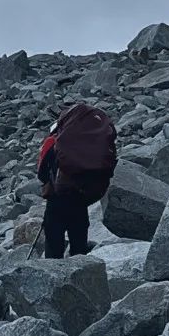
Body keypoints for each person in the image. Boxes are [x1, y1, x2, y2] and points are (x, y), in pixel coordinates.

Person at [38, 104, 117, 259]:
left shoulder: (53, 142)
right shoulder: (89, 144)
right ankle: (83, 279)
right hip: (81, 200)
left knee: (54, 250)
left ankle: (54, 280)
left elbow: (42, 173)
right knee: (79, 250)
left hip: (57, 201)